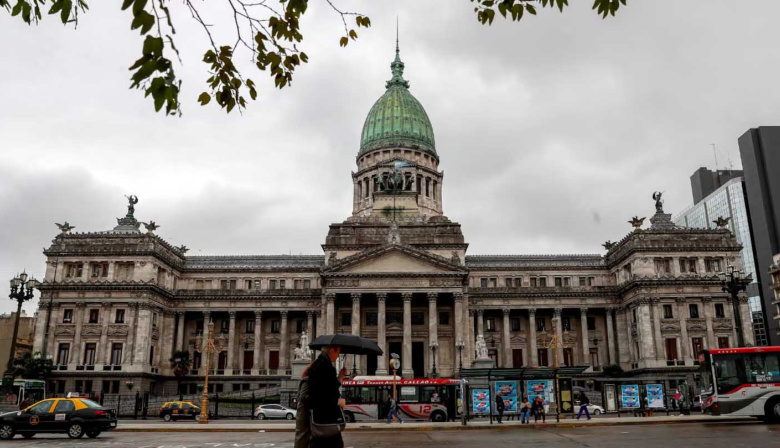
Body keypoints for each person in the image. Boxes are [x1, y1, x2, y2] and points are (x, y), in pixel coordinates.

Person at [307, 346, 348, 448]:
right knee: (334, 443)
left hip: (317, 417)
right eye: (338, 352)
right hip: (327, 418)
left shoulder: (317, 364)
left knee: (318, 442)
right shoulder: (327, 367)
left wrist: (340, 378)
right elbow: (325, 394)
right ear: (332, 350)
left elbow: (325, 388)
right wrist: (338, 402)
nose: (338, 356)